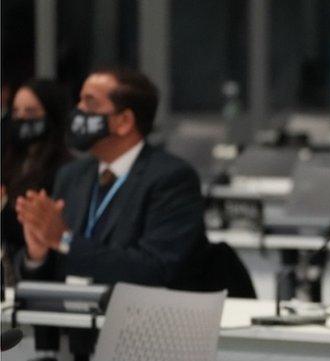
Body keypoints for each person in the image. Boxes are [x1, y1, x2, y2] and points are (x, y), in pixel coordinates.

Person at [14, 68, 206, 287]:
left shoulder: (171, 179)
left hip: (135, 316)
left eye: (90, 104)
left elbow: (154, 269)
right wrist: (38, 254)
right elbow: (49, 275)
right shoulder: (71, 175)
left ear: (124, 121)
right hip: (69, 315)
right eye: (79, 102)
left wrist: (64, 240)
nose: (78, 111)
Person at [1, 79, 72, 278]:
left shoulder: (66, 169)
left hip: (39, 269)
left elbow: (39, 225)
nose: (21, 118)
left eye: (31, 112)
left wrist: (4, 205)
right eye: (15, 111)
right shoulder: (9, 159)